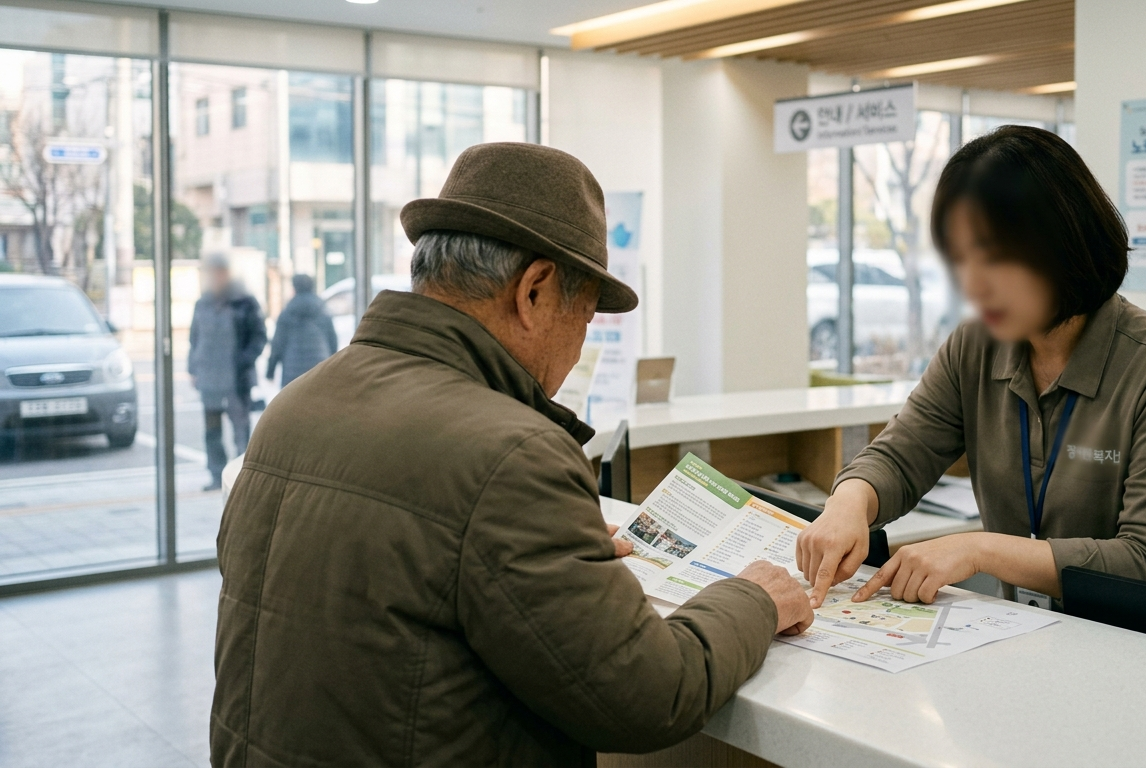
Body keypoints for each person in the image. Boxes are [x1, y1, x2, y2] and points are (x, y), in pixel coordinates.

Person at [211, 143, 812, 767]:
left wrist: (547, 550)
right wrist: (755, 599)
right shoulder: (511, 455)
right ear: (534, 292)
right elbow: (649, 695)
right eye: (584, 320)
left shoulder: (295, 405)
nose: (579, 347)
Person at [796, 126, 1146, 609]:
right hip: (1028, 639)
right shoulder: (976, 347)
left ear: (1064, 243)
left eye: (995, 258)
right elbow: (900, 455)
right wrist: (849, 502)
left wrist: (980, 549)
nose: (973, 285)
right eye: (960, 260)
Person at [188, 253, 266, 492]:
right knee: (212, 431)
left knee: (240, 429)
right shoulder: (203, 303)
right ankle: (216, 475)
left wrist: (242, 361)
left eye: (216, 272)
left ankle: (244, 477)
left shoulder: (245, 302)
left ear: (225, 273)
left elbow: (259, 338)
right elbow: (195, 339)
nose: (212, 277)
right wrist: (193, 369)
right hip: (210, 379)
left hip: (236, 379)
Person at [265, 273, 337, 387]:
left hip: (292, 372)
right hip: (319, 369)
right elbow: (332, 341)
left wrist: (270, 371)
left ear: (294, 288)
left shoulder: (287, 313)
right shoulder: (323, 311)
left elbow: (277, 345)